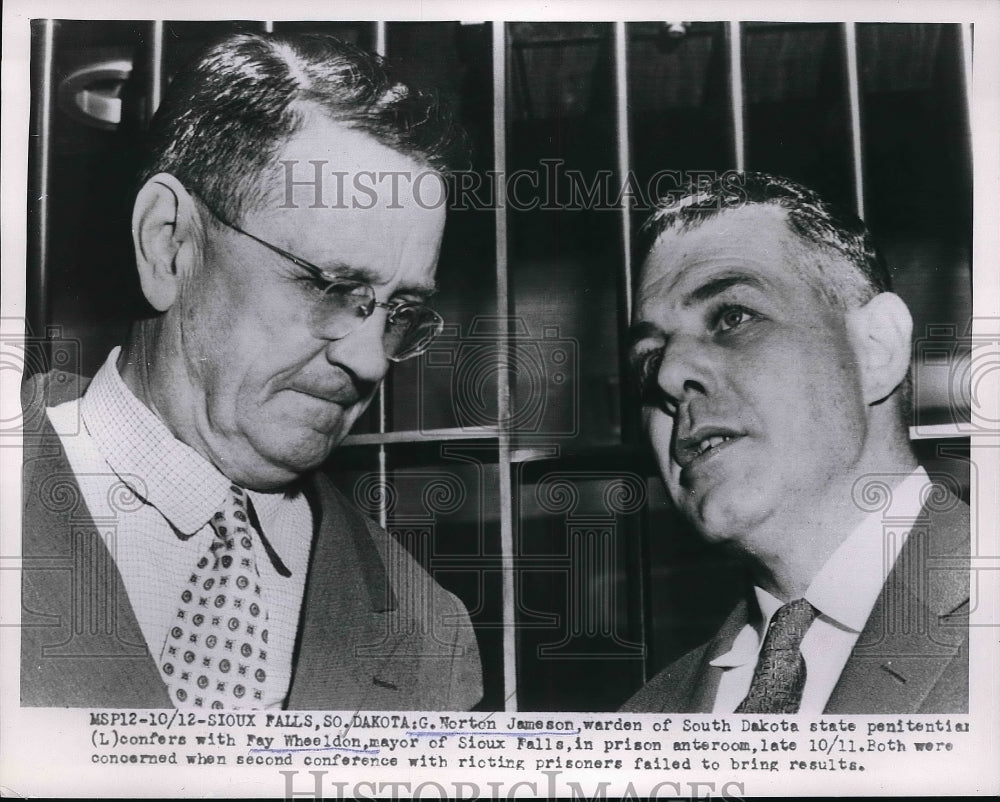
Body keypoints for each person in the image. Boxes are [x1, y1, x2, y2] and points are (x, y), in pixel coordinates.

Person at [21, 32, 482, 710]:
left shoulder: (428, 636)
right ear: (169, 244)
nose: (367, 358)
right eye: (328, 286)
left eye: (401, 311)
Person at [621, 172, 969, 714]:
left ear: (874, 349)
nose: (669, 375)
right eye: (647, 359)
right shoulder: (642, 721)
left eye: (733, 317)